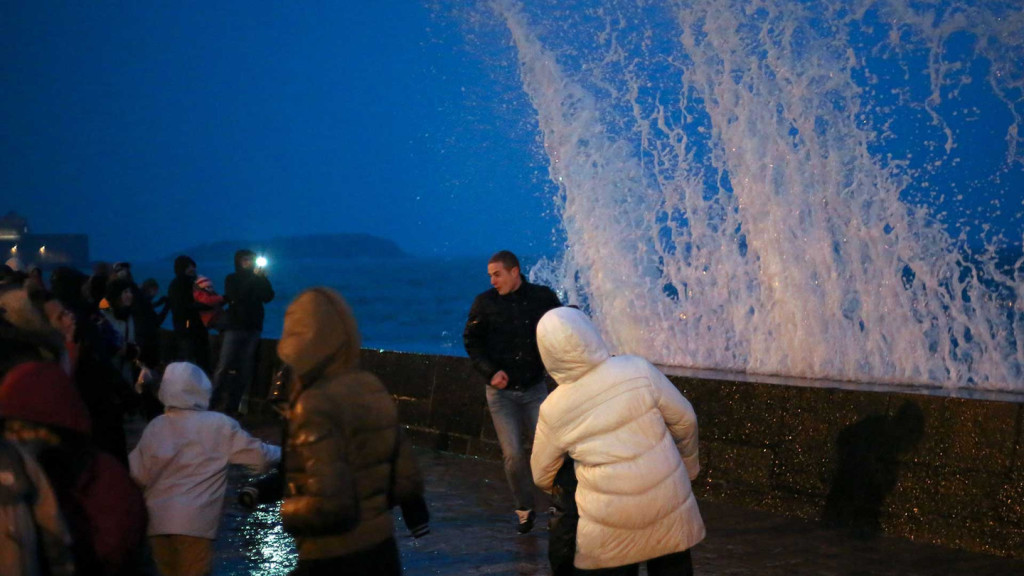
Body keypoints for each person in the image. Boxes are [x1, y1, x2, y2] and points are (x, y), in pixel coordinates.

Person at [530, 306, 705, 575]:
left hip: (609, 519)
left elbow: (541, 474)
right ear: (588, 333)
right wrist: (689, 466)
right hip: (667, 502)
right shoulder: (637, 369)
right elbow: (685, 420)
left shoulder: (554, 409)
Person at [277, 287, 426, 575]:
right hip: (382, 552)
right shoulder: (370, 385)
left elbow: (331, 505)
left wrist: (289, 510)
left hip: (332, 556)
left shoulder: (314, 402)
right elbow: (407, 481)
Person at [128, 362, 281, 576]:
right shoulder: (218, 425)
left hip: (157, 523)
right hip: (196, 525)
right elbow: (259, 457)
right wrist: (288, 452)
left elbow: (137, 474)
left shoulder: (156, 426)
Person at [0, 362, 147, 575]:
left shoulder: (103, 477)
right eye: (11, 429)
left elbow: (117, 545)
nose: (19, 438)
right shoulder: (12, 475)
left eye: (27, 428)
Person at [463, 250, 561, 533]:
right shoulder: (484, 303)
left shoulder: (542, 297)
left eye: (497, 274)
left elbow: (562, 325)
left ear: (514, 272)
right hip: (500, 395)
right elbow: (471, 341)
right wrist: (491, 372)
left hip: (534, 388)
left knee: (551, 449)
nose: (492, 281)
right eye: (490, 276)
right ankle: (524, 508)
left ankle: (559, 503)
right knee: (514, 455)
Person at [211, 250, 274, 415]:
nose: (250, 262)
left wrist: (263, 278)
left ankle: (232, 407)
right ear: (239, 261)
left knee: (244, 370)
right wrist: (254, 278)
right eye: (246, 260)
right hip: (235, 327)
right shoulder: (232, 278)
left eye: (252, 260)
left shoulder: (258, 278)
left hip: (253, 327)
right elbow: (238, 295)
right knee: (224, 366)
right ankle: (211, 402)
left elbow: (268, 297)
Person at [167, 255, 211, 371]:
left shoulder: (195, 284)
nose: (192, 269)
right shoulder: (178, 285)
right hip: (186, 329)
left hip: (197, 328)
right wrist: (203, 306)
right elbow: (182, 306)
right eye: (188, 267)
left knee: (200, 359)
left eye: (192, 266)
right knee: (189, 360)